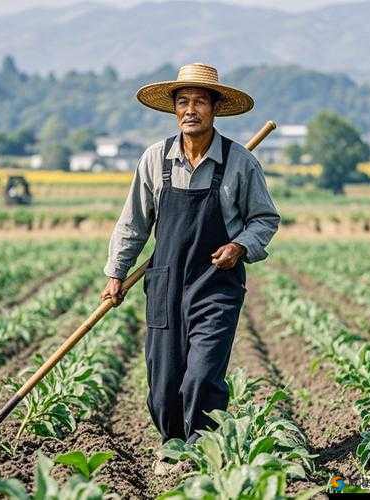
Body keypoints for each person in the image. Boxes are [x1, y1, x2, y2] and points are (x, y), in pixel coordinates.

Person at [101, 63, 280, 475]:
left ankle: (200, 453)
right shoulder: (154, 159)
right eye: (183, 102)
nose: (191, 110)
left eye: (200, 101)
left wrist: (240, 245)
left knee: (202, 374)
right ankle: (173, 445)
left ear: (215, 108)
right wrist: (116, 274)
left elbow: (265, 219)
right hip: (164, 282)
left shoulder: (238, 162)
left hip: (216, 284)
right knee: (163, 382)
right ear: (174, 110)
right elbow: (133, 223)